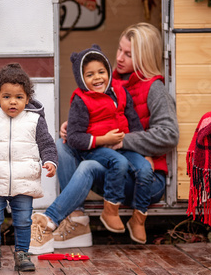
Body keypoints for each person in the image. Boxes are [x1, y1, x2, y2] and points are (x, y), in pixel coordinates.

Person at [29, 22, 179, 254]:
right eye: (119, 49)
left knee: (89, 166)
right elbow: (97, 116)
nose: (119, 57)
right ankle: (77, 221)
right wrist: (75, 127)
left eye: (128, 54)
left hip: (145, 177)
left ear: (144, 57)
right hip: (116, 163)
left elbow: (170, 135)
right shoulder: (111, 82)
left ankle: (49, 221)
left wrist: (126, 143)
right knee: (62, 144)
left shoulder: (154, 89)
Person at [0, 63, 58, 272]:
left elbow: (47, 145)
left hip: (25, 181)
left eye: (19, 97)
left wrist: (49, 162)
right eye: (6, 96)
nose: (12, 102)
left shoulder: (35, 121)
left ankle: (22, 253)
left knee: (23, 220)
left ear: (27, 99)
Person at [65, 45, 152, 235]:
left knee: (146, 169)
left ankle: (139, 219)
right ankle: (111, 210)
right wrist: (103, 139)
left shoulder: (120, 91)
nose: (97, 78)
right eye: (89, 75)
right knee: (118, 161)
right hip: (97, 147)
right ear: (81, 79)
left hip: (124, 145)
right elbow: (73, 137)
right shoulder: (81, 100)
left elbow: (134, 122)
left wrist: (142, 152)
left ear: (108, 72)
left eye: (101, 72)